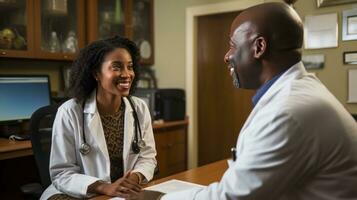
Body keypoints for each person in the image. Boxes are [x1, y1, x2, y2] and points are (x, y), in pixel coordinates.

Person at [139, 2, 357, 200]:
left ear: (259, 47)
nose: (226, 56)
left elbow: (231, 197)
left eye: (233, 45)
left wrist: (158, 199)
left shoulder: (287, 111)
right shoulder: (300, 91)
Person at [40, 36, 157, 199]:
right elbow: (62, 173)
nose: (126, 74)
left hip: (121, 193)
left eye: (129, 67)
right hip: (76, 193)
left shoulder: (138, 108)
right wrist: (103, 187)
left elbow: (148, 157)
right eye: (116, 67)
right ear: (96, 73)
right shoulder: (70, 111)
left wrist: (133, 179)